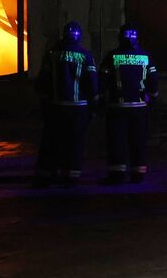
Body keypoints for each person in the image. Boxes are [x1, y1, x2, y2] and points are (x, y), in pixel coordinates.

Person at [34, 21, 97, 186]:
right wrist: (94, 102)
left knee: (52, 140)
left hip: (56, 106)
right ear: (79, 36)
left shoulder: (52, 53)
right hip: (79, 108)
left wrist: (44, 100)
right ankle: (72, 174)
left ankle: (47, 174)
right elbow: (92, 82)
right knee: (75, 142)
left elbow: (43, 80)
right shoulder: (86, 55)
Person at [100, 23, 159, 184]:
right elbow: (153, 81)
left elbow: (102, 80)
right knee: (138, 140)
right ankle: (138, 173)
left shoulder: (112, 56)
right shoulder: (145, 56)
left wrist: (99, 99)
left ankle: (117, 174)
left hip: (117, 107)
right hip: (139, 107)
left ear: (120, 37)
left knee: (117, 141)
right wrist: (152, 98)